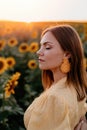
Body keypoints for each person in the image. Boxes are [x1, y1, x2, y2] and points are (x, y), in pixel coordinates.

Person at [24, 24, 87, 130]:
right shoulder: (77, 87)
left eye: (47, 47)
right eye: (41, 46)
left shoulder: (54, 98)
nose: (39, 52)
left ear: (67, 54)